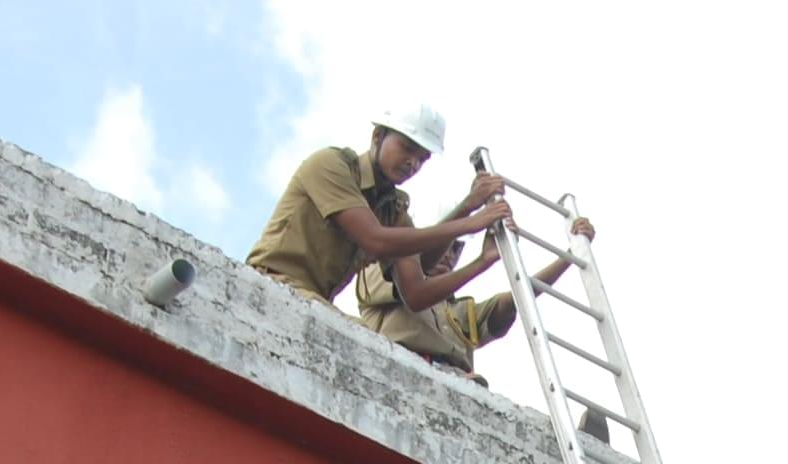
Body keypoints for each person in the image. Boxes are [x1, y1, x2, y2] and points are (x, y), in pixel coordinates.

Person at [244, 104, 509, 308]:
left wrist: (470, 219)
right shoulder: (331, 165)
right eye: (406, 148)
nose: (412, 163)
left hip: (314, 301)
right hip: (270, 283)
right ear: (377, 136)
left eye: (422, 159)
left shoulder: (392, 209)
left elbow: (417, 288)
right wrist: (470, 222)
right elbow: (375, 239)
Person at [353, 217, 594, 383]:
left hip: (458, 383)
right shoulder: (383, 268)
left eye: (457, 250)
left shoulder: (457, 310)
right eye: (443, 245)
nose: (449, 255)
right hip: (400, 371)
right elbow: (416, 292)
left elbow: (516, 299)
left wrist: (570, 255)